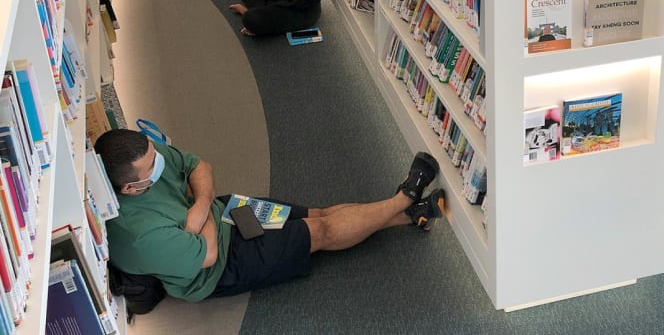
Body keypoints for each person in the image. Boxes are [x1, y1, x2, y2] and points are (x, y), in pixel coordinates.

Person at [94, 129, 445, 302]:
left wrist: (200, 207)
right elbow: (208, 254)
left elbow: (199, 167)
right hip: (222, 268)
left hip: (222, 212)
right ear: (131, 189)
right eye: (153, 167)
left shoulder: (141, 155)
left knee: (316, 213)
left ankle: (411, 215)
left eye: (156, 155)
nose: (161, 161)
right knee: (319, 231)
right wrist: (204, 204)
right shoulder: (138, 236)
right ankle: (403, 198)